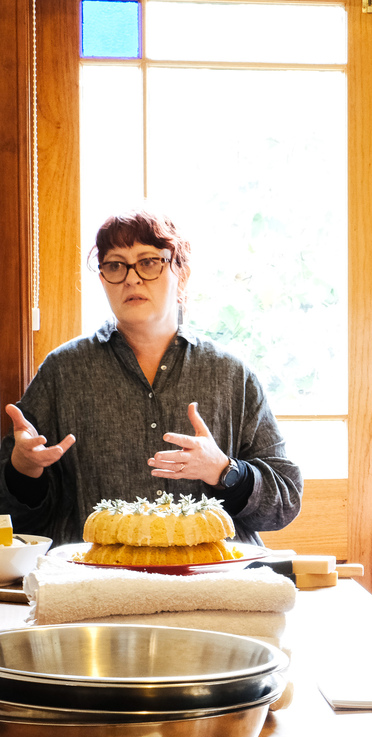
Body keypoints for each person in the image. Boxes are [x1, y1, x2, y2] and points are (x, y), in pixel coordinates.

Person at [0, 207, 302, 545]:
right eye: (115, 265)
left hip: (214, 583)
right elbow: (14, 516)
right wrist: (23, 469)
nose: (131, 278)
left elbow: (285, 501)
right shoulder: (63, 371)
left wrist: (224, 471)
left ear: (181, 274)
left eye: (148, 262)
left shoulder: (231, 373)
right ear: (103, 279)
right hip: (95, 583)